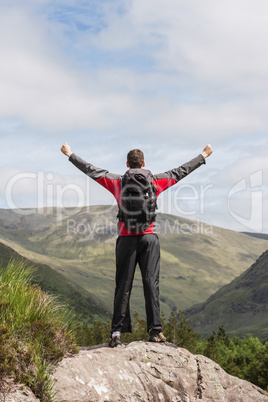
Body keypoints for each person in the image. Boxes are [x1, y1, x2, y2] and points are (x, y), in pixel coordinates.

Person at [61, 143, 213, 347]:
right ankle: (156, 331)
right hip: (149, 238)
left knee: (123, 285)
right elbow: (180, 172)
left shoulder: (117, 182)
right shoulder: (155, 181)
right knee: (151, 284)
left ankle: (116, 333)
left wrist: (70, 154)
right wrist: (203, 155)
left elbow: (91, 170)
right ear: (143, 163)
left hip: (126, 240)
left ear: (127, 164)